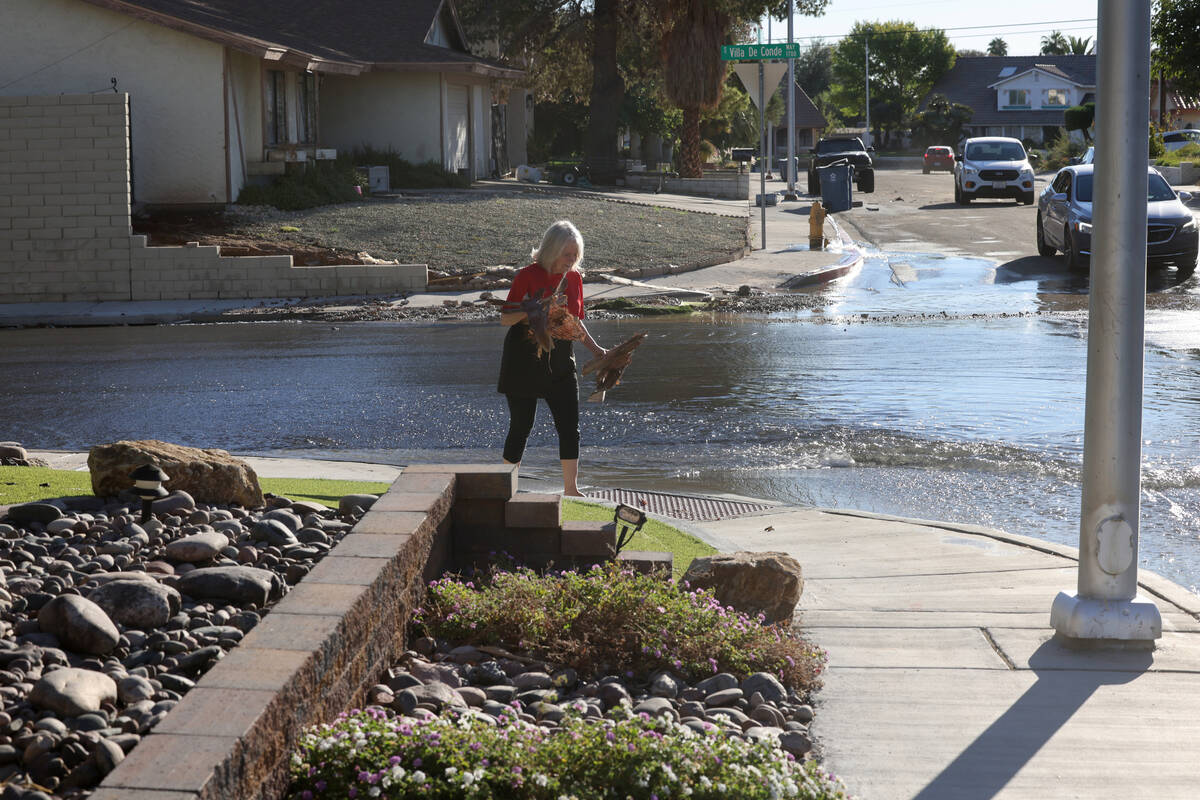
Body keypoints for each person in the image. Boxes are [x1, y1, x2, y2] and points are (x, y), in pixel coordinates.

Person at [497, 220, 616, 496]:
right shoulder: (526, 276)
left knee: (569, 425)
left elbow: (575, 322)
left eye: (576, 255)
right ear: (551, 250)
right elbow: (505, 318)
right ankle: (504, 487)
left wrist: (598, 351)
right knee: (521, 425)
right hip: (523, 357)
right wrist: (533, 309)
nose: (572, 260)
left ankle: (571, 489)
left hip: (561, 358)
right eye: (567, 254)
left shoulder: (574, 278)